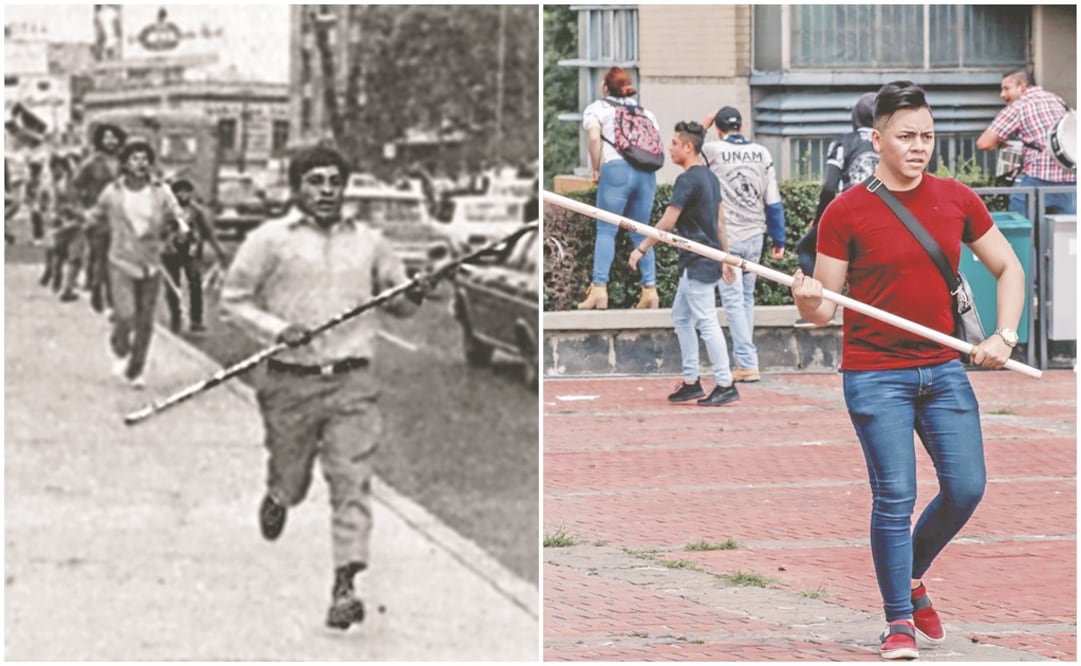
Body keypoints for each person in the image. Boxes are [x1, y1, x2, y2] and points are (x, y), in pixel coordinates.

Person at [791, 81, 1025, 660]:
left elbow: (1009, 268)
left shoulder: (956, 199)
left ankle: (911, 576)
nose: (919, 147)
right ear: (877, 140)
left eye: (927, 136)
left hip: (943, 369)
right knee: (895, 496)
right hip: (875, 375)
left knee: (966, 487)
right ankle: (898, 619)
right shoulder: (845, 211)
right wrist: (805, 298)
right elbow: (823, 310)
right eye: (906, 136)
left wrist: (1004, 334)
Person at [220, 145, 432, 631]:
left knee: (351, 480)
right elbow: (233, 300)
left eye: (335, 181)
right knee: (292, 478)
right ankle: (279, 494)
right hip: (289, 381)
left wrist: (414, 292)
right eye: (315, 181)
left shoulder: (371, 243)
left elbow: (399, 303)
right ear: (297, 187)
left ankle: (345, 585)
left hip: (352, 383)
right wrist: (277, 330)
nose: (326, 190)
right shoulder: (268, 240)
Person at [630, 121, 739, 407]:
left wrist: (641, 248)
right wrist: (725, 257)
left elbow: (668, 222)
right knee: (680, 317)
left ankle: (725, 384)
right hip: (705, 259)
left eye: (675, 143)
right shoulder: (710, 178)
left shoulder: (688, 180)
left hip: (697, 261)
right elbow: (720, 222)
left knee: (706, 321)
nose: (670, 148)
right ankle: (692, 382)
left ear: (688, 147)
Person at [86, 139, 187, 388]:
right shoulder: (113, 192)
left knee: (145, 320)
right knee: (125, 314)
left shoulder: (161, 191)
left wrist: (179, 229)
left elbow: (177, 215)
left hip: (151, 263)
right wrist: (85, 221)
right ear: (125, 163)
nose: (141, 164)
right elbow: (96, 215)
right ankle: (119, 345)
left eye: (145, 159)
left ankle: (136, 369)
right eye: (135, 159)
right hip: (121, 260)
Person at [701, 106, 786, 382]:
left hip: (728, 237)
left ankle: (747, 362)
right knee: (746, 299)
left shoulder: (713, 150)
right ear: (742, 126)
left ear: (719, 129)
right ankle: (746, 360)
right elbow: (773, 199)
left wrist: (703, 127)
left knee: (734, 301)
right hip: (755, 235)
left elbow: (689, 149)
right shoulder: (762, 153)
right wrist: (779, 238)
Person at [795, 92, 880, 328]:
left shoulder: (843, 142)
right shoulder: (886, 143)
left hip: (851, 216)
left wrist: (819, 219)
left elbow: (828, 187)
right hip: (884, 215)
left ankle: (820, 306)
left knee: (806, 249)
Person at [579, 66, 660, 310]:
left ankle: (599, 289)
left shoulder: (598, 108)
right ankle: (650, 291)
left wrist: (596, 168)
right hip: (646, 173)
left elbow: (594, 138)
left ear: (606, 87)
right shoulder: (645, 112)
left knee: (606, 230)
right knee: (641, 231)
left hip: (616, 170)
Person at [976, 68, 1076, 216]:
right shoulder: (1056, 99)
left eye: (1006, 88)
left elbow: (984, 143)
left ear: (1022, 86)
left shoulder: (1020, 105)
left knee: (1020, 222)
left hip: (1039, 177)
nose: (1002, 94)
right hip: (1071, 180)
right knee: (1067, 229)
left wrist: (1001, 141)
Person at [161, 179, 228, 334]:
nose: (183, 195)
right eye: (180, 192)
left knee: (196, 286)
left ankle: (196, 320)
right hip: (171, 253)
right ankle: (176, 318)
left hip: (191, 252)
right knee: (172, 287)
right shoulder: (167, 211)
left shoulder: (196, 211)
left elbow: (207, 232)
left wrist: (219, 250)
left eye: (186, 191)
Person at [72, 122, 127, 312]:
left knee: (118, 260)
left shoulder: (124, 162)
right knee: (101, 257)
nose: (110, 141)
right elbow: (75, 186)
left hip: (122, 217)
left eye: (114, 137)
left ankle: (113, 297)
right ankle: (99, 291)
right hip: (98, 218)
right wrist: (83, 211)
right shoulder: (91, 164)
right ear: (100, 140)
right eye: (106, 137)